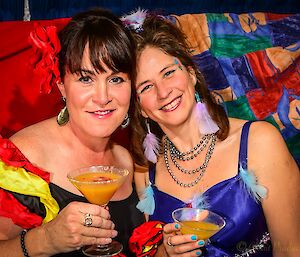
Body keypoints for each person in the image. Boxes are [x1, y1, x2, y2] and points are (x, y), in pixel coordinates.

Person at [128, 15, 300, 257]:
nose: (163, 92)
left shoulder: (259, 142)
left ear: (191, 74)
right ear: (140, 108)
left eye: (168, 73)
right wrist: (165, 253)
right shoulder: (146, 169)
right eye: (146, 87)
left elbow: (291, 248)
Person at [0, 8, 144, 257]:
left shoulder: (127, 161)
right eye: (86, 79)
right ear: (62, 87)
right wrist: (45, 240)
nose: (103, 97)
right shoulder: (24, 158)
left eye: (116, 79)